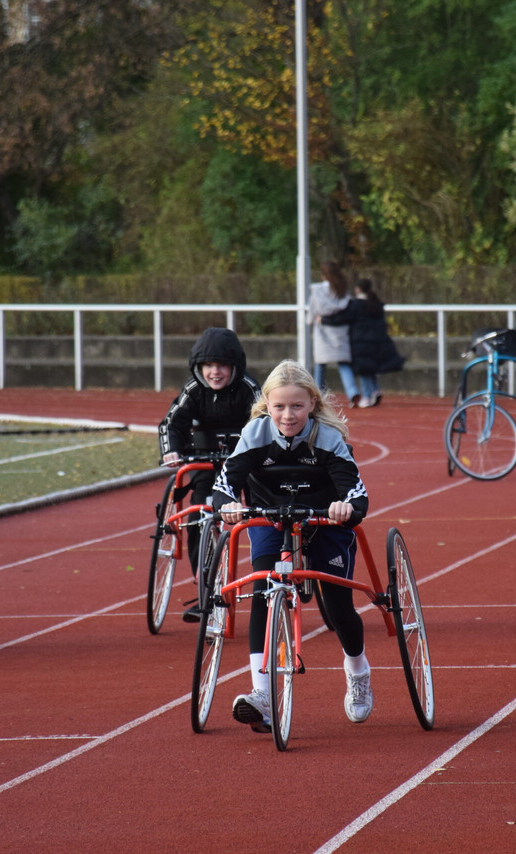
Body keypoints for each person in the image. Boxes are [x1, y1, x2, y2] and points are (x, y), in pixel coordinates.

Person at [211, 359, 372, 732]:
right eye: (279, 406)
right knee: (263, 586)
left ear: (312, 403)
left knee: (337, 602)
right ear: (266, 405)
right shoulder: (254, 435)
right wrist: (229, 505)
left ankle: (358, 670)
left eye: (297, 406)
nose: (287, 415)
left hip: (323, 520)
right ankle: (262, 693)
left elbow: (357, 493)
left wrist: (346, 507)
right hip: (271, 518)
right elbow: (221, 486)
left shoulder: (328, 437)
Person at [157, 327, 260, 621]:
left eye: (222, 366)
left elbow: (267, 423)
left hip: (248, 465)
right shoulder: (194, 389)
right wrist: (171, 452)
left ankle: (271, 581)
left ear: (234, 367)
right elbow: (171, 425)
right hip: (206, 463)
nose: (215, 372)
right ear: (199, 368)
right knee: (198, 519)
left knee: (261, 517)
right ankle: (207, 593)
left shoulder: (250, 389)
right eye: (208, 366)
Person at [319, 278, 405, 407]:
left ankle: (366, 396)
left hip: (360, 342)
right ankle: (375, 391)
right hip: (377, 340)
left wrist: (324, 320)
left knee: (364, 369)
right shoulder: (377, 304)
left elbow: (342, 318)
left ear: (358, 289)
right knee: (371, 368)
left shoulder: (356, 305)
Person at [308, 260, 360, 405]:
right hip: (340, 331)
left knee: (320, 364)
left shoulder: (318, 290)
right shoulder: (342, 289)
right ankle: (352, 392)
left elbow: (313, 309)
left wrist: (310, 320)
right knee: (343, 363)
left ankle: (317, 395)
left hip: (323, 330)